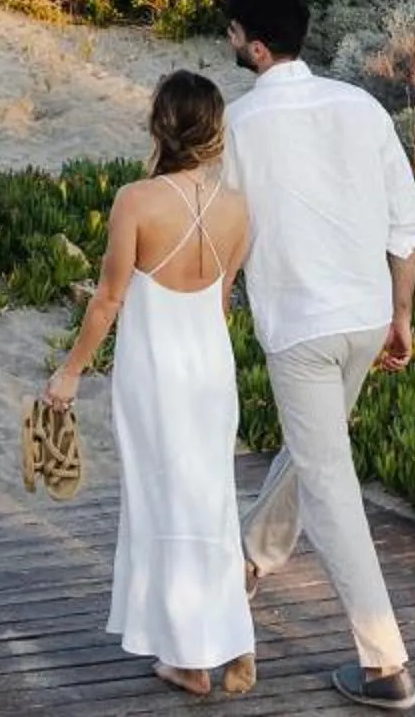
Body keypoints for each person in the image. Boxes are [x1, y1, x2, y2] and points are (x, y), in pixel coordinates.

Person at [222, 0, 415, 710]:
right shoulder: (361, 107)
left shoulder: (239, 125)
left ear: (253, 44)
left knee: (330, 482)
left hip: (302, 326)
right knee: (317, 455)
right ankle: (247, 560)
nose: (229, 38)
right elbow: (407, 227)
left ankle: (384, 665)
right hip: (367, 316)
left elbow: (223, 232)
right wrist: (401, 315)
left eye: (233, 30)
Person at [45, 70, 257, 698]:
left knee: (161, 501)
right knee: (211, 500)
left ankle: (188, 659)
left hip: (156, 370)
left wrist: (70, 372)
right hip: (212, 370)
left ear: (159, 124)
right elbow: (220, 304)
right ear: (216, 130)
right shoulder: (238, 207)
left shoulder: (136, 201)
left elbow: (108, 301)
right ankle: (230, 640)